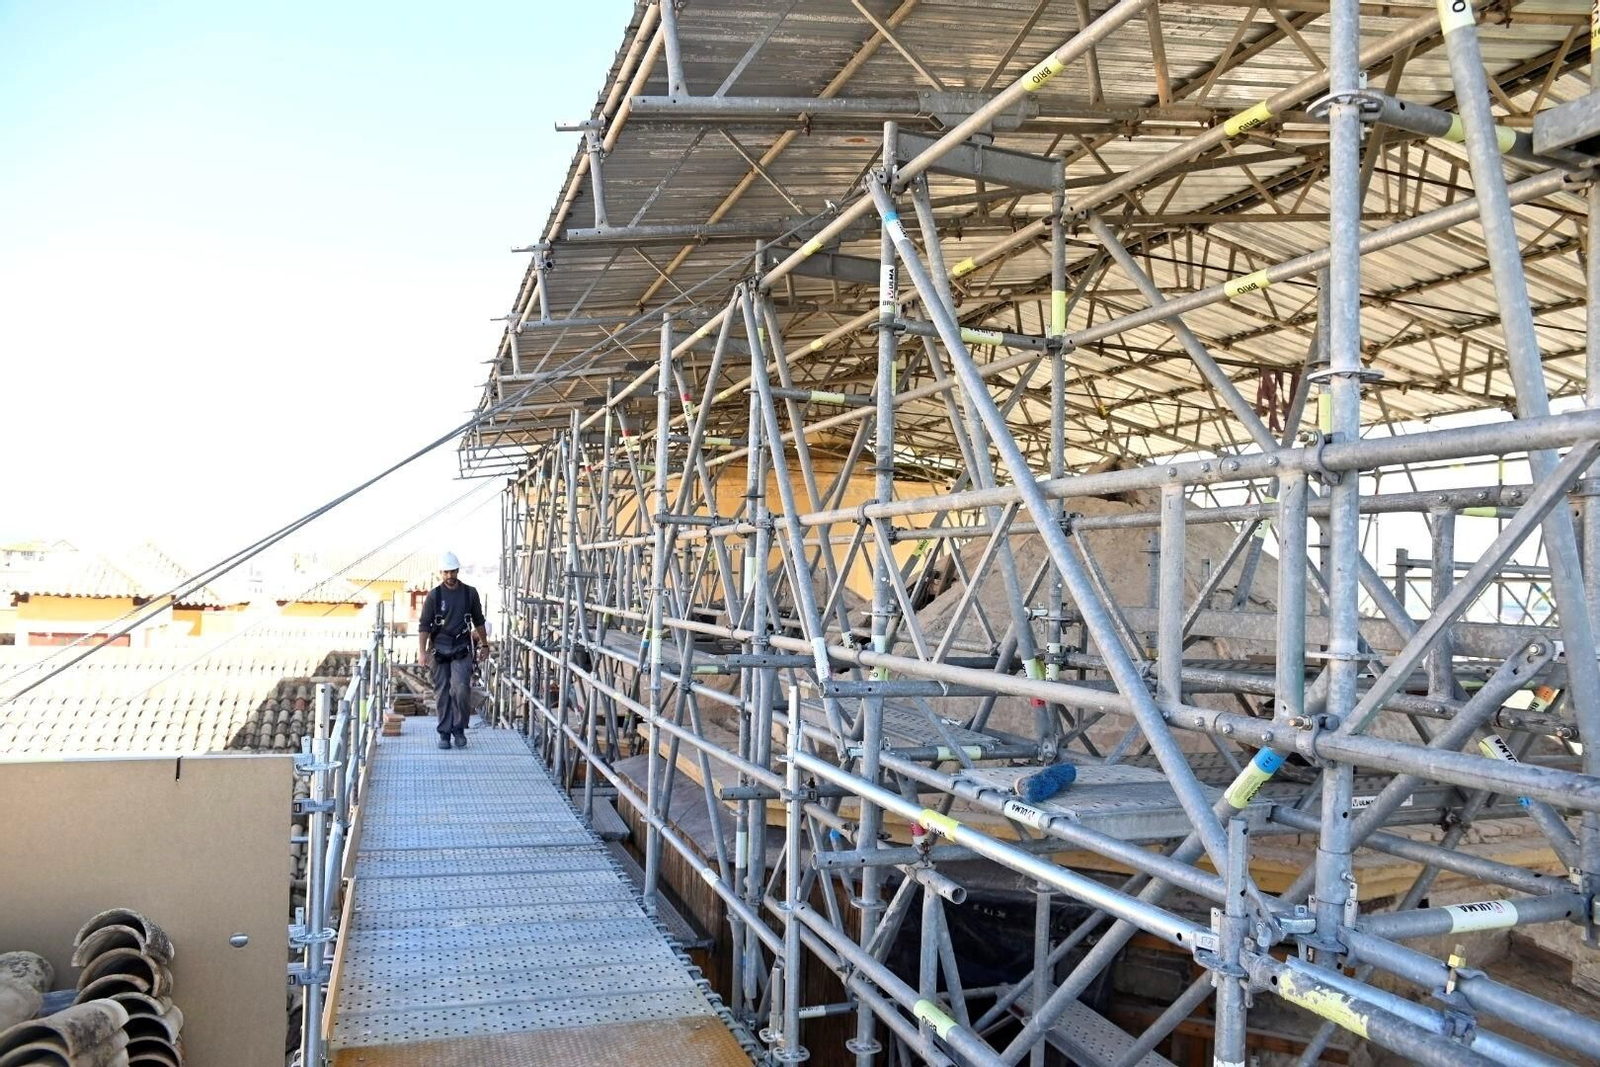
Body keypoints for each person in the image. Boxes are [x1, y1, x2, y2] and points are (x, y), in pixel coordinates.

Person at [418, 551, 487, 750]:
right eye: (446, 572)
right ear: (441, 573)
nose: (450, 576)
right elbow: (424, 625)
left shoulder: (469, 593)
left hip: (461, 648)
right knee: (442, 692)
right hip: (439, 649)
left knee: (461, 688)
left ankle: (459, 729)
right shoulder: (434, 596)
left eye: (453, 572)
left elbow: (479, 621)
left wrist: (484, 644)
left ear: (458, 571)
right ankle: (445, 733)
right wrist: (422, 652)